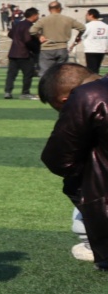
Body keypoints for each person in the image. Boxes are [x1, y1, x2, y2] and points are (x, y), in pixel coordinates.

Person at [40, 63, 106, 270]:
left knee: (80, 181)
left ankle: (94, 243)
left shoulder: (86, 95)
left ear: (65, 100)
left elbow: (59, 160)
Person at [31, 0, 82, 77]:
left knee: (45, 74)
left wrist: (39, 36)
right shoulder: (68, 19)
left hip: (46, 48)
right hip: (62, 47)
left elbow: (32, 30)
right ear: (59, 9)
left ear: (49, 9)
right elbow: (82, 28)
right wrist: (78, 38)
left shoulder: (43, 20)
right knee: (61, 74)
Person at [5, 8, 40, 99]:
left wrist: (17, 40)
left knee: (11, 74)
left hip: (13, 53)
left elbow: (10, 34)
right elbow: (27, 40)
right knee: (28, 74)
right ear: (34, 16)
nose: (38, 17)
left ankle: (8, 92)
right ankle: (25, 92)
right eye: (37, 15)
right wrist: (36, 47)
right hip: (25, 54)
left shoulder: (18, 24)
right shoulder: (29, 26)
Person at [80, 9, 108, 75]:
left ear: (91, 15)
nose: (86, 16)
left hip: (91, 50)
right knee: (97, 69)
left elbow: (81, 36)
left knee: (91, 70)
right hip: (101, 50)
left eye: (87, 15)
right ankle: (97, 80)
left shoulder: (88, 26)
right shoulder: (105, 26)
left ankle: (94, 81)